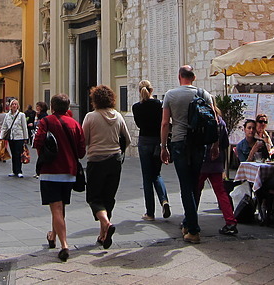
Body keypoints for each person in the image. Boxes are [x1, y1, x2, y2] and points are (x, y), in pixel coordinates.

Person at [160, 65, 217, 244]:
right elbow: (214, 121)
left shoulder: (170, 95)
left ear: (179, 77)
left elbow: (164, 123)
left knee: (185, 185)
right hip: (199, 144)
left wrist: (163, 146)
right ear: (193, 77)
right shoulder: (203, 94)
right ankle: (188, 222)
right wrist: (215, 145)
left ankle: (193, 229)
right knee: (194, 184)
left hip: (179, 142)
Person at [33, 93, 86, 262]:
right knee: (60, 207)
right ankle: (52, 236)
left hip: (50, 171)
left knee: (56, 208)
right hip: (69, 172)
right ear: (68, 107)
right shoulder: (75, 124)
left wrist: (44, 156)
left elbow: (38, 142)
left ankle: (64, 245)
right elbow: (81, 151)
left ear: (52, 107)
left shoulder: (45, 122)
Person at [83, 85, 131, 249]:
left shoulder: (91, 117)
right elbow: (128, 139)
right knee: (108, 198)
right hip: (115, 161)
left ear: (95, 100)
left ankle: (106, 224)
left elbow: (84, 140)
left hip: (96, 161)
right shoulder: (118, 116)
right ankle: (103, 235)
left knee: (94, 198)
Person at [131, 80, 171, 221]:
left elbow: (139, 124)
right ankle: (164, 200)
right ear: (152, 90)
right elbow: (164, 122)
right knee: (156, 174)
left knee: (147, 178)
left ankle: (150, 212)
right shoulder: (159, 105)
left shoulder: (136, 107)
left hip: (144, 142)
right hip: (157, 141)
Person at [195, 108, 239, 236]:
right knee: (221, 192)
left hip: (202, 161)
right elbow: (225, 143)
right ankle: (230, 221)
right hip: (216, 162)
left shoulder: (200, 120)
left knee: (196, 191)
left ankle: (190, 219)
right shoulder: (221, 122)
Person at [0, 99, 30, 177]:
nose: (14, 106)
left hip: (19, 137)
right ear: (10, 106)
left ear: (18, 106)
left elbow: (24, 127)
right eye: (13, 104)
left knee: (19, 154)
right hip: (11, 137)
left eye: (15, 104)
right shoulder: (7, 115)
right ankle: (14, 170)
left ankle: (19, 171)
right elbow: (4, 126)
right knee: (13, 154)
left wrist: (25, 138)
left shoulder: (21, 115)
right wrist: (2, 136)